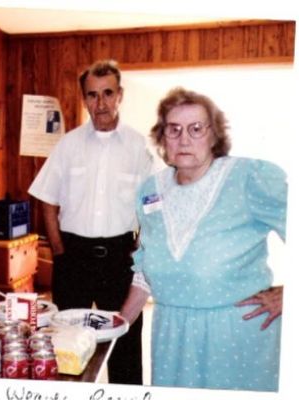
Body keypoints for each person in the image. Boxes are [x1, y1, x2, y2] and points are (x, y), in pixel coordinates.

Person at [120, 87, 287, 391]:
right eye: (174, 129)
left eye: (196, 129)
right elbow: (145, 271)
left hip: (236, 334)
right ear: (162, 138)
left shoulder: (248, 178)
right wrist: (119, 322)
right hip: (172, 335)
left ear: (214, 135)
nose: (184, 139)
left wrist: (289, 297)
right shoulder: (150, 191)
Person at [28, 59, 154, 384]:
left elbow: (152, 205)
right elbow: (47, 198)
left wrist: (138, 249)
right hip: (74, 257)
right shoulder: (68, 144)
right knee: (67, 342)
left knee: (124, 341)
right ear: (84, 98)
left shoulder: (138, 146)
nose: (100, 103)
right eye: (92, 95)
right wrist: (59, 251)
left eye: (107, 93)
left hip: (119, 257)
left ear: (119, 95)